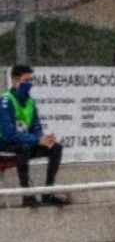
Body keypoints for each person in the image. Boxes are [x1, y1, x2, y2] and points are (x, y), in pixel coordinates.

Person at [0, 65, 69, 208]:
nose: (29, 83)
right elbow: (9, 134)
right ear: (15, 80)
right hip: (4, 144)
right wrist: (36, 139)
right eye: (26, 80)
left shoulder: (30, 102)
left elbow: (36, 128)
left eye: (31, 80)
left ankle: (47, 193)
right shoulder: (5, 101)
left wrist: (44, 139)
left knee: (55, 148)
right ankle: (27, 195)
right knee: (23, 147)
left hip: (24, 142)